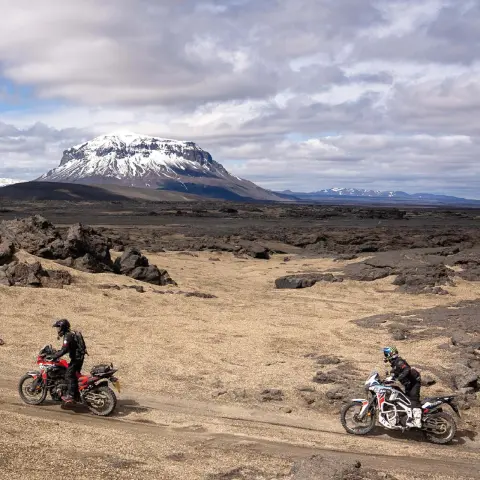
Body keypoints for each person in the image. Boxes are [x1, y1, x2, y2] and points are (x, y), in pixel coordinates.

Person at [383, 346, 422, 428]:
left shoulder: (399, 362)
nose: (385, 356)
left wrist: (397, 378)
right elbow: (393, 375)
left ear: (392, 354)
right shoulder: (394, 366)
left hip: (414, 383)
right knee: (406, 402)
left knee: (414, 401)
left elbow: (407, 369)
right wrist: (386, 380)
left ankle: (417, 422)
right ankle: (407, 419)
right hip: (408, 385)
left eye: (386, 354)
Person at [50, 319, 87, 403]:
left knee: (69, 375)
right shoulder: (71, 334)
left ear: (63, 327)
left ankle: (71, 395)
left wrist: (54, 356)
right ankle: (77, 394)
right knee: (74, 375)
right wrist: (58, 353)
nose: (58, 330)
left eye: (59, 328)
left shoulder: (68, 336)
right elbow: (66, 349)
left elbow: (64, 350)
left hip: (76, 359)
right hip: (79, 357)